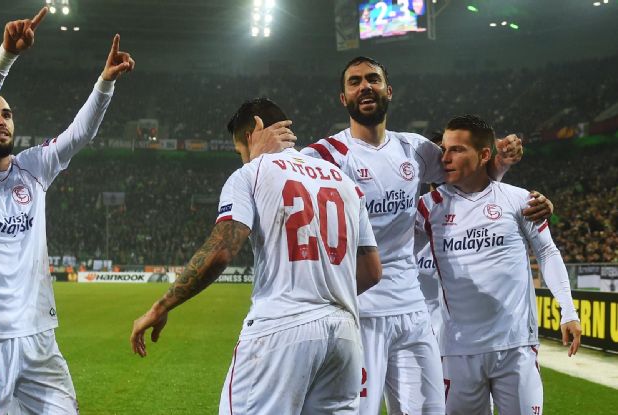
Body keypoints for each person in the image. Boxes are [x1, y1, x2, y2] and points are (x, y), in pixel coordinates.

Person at [297, 56, 553, 414]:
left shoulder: (414, 148)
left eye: (373, 79)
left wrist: (506, 169)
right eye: (354, 82)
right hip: (359, 310)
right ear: (344, 98)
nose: (365, 86)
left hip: (411, 310)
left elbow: (470, 178)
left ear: (389, 91)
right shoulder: (324, 156)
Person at [0, 8, 134, 414]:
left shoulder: (32, 169)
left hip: (37, 338)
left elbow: (78, 135)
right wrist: (5, 57)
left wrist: (105, 84)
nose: (1, 120)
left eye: (7, 114)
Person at [131, 98, 383, 414]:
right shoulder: (344, 181)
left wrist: (162, 305)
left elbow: (221, 251)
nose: (242, 158)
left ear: (254, 131)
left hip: (281, 330)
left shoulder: (251, 173)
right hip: (345, 338)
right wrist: (323, 288)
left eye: (240, 150)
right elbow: (372, 270)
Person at [416, 114, 581, 414]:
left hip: (516, 345)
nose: (445, 158)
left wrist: (568, 310)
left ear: (483, 155)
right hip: (457, 351)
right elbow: (387, 244)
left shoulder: (519, 200)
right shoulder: (427, 209)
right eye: (443, 150)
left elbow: (547, 252)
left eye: (456, 150)